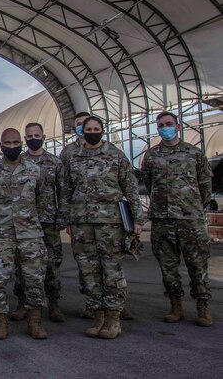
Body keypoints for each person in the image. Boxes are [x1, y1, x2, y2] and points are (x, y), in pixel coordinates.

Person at [63, 115, 143, 339]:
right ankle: (98, 316)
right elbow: (66, 190)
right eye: (88, 128)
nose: (92, 131)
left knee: (111, 271)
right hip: (82, 222)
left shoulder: (115, 155)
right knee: (88, 270)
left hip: (110, 223)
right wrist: (68, 219)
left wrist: (137, 219)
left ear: (102, 131)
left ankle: (114, 319)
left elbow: (130, 187)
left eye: (96, 128)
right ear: (82, 131)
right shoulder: (73, 157)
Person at [142, 111, 213, 327]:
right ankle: (176, 306)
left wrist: (194, 208)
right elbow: (149, 182)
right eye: (161, 125)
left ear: (178, 127)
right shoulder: (152, 156)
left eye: (169, 124)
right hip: (163, 220)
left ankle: (202, 307)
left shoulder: (194, 153)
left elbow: (205, 185)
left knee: (197, 264)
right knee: (168, 266)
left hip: (190, 219)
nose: (165, 127)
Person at [0, 128, 48, 340]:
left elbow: (42, 200)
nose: (12, 147)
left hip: (30, 235)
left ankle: (35, 322)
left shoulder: (35, 171)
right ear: (0, 145)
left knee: (34, 279)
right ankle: (1, 322)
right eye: (7, 143)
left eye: (15, 142)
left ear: (21, 143)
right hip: (1, 235)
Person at [11, 123, 66, 323]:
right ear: (25, 139)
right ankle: (22, 303)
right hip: (25, 222)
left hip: (49, 222)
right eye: (30, 135)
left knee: (51, 264)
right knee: (22, 266)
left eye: (37, 135)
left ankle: (54, 303)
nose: (33, 138)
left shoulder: (55, 162)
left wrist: (62, 217)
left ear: (43, 136)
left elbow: (63, 191)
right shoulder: (19, 161)